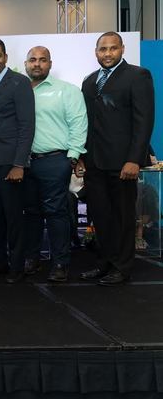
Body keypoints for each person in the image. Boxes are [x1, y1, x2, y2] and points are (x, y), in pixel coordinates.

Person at [80, 32, 155, 286]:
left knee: (122, 218)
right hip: (94, 163)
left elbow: (144, 121)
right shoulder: (90, 82)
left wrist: (135, 159)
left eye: (113, 48)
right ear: (96, 52)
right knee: (100, 217)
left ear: (122, 49)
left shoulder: (138, 75)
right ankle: (104, 263)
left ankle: (122, 267)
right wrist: (81, 158)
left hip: (124, 163)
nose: (108, 53)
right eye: (103, 49)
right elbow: (86, 124)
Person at [22, 46, 88, 282]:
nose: (37, 64)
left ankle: (60, 261)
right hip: (24, 163)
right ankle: (32, 258)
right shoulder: (20, 91)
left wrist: (71, 157)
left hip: (55, 160)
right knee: (30, 213)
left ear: (50, 64)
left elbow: (78, 124)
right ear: (25, 64)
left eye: (42, 60)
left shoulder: (66, 91)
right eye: (32, 60)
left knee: (56, 212)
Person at [0, 38, 35, 283]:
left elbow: (27, 125)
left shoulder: (19, 82)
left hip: (10, 162)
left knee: (13, 217)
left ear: (5, 57)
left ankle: (17, 266)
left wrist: (19, 164)